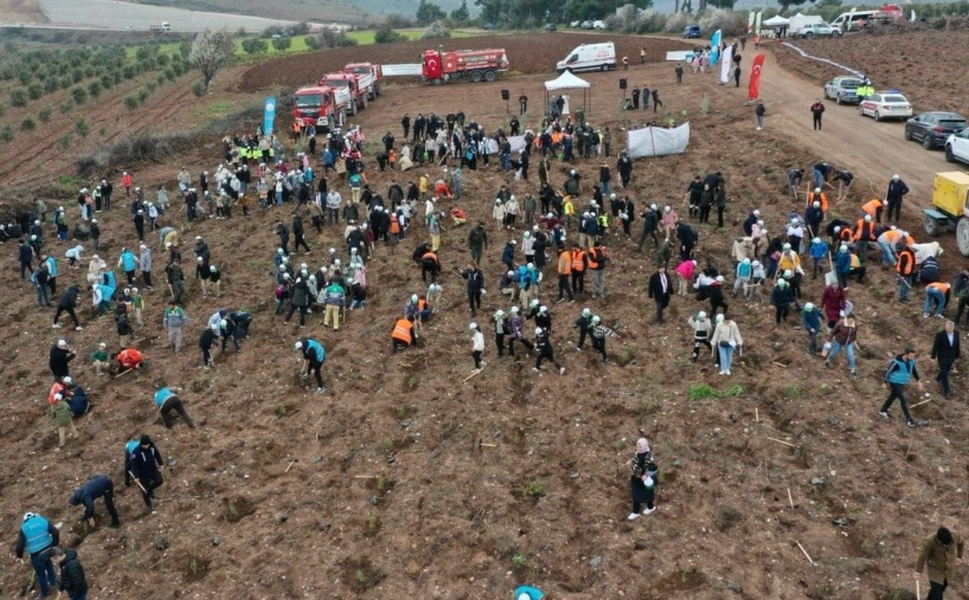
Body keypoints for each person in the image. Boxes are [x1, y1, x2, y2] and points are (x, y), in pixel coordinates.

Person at [15, 512, 60, 599]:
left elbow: (20, 546)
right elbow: (55, 531)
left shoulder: (24, 528)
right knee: (49, 565)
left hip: (37, 555)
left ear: (25, 520)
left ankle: (44, 593)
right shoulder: (42, 520)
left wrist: (19, 556)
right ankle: (53, 583)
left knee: (41, 574)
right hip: (48, 549)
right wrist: (54, 544)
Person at [880, 346, 924, 427]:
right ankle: (909, 420)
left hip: (902, 382)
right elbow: (888, 371)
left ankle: (883, 410)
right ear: (906, 354)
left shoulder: (911, 361)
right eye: (911, 356)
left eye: (913, 356)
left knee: (892, 397)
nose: (912, 357)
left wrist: (919, 381)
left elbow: (914, 370)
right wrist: (885, 382)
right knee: (903, 400)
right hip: (894, 382)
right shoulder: (896, 362)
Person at [915, 526, 964, 600]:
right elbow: (922, 555)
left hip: (949, 569)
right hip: (935, 569)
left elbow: (961, 542)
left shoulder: (955, 535)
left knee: (939, 590)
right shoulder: (929, 541)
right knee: (937, 594)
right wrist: (918, 571)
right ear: (939, 541)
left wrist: (959, 556)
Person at [128, 434, 164, 513]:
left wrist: (161, 463)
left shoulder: (152, 447)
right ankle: (149, 506)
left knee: (159, 481)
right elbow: (134, 465)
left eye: (148, 444)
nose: (147, 446)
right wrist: (136, 477)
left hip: (152, 468)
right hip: (142, 473)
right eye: (145, 445)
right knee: (144, 490)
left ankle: (149, 490)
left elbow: (157, 454)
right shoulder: (136, 452)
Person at [625, 437, 658, 520]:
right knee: (636, 495)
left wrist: (646, 475)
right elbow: (634, 459)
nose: (638, 448)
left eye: (640, 447)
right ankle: (635, 511)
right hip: (635, 478)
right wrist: (630, 461)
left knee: (647, 495)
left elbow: (653, 468)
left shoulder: (649, 457)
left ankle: (650, 507)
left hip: (644, 480)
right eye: (638, 446)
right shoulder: (636, 453)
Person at [931, 320, 961, 398]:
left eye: (951, 329)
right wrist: (933, 357)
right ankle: (947, 391)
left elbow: (957, 345)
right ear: (945, 327)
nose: (949, 330)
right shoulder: (940, 334)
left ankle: (937, 379)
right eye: (948, 328)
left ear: (953, 328)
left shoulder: (956, 334)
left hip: (951, 357)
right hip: (942, 357)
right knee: (945, 373)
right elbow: (935, 346)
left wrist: (957, 355)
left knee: (946, 370)